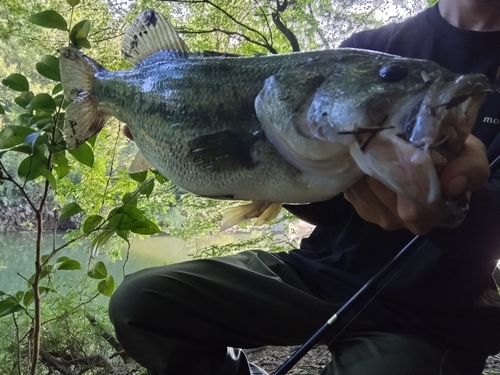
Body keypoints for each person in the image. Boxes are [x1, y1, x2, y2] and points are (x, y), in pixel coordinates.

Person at [108, 0, 500, 374]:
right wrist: (250, 168)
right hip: (316, 273)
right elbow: (327, 208)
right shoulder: (371, 49)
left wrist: (459, 206)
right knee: (139, 305)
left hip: (429, 318)